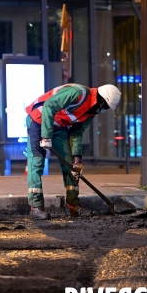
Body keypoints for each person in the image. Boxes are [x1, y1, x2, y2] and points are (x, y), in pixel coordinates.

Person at [24, 83, 122, 220]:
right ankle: (35, 207)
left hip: (59, 126)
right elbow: (49, 105)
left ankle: (74, 206)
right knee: (37, 163)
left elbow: (77, 132)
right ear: (101, 99)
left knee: (71, 167)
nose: (104, 110)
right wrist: (46, 136)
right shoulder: (77, 93)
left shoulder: (92, 111)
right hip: (38, 120)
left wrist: (76, 157)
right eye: (105, 106)